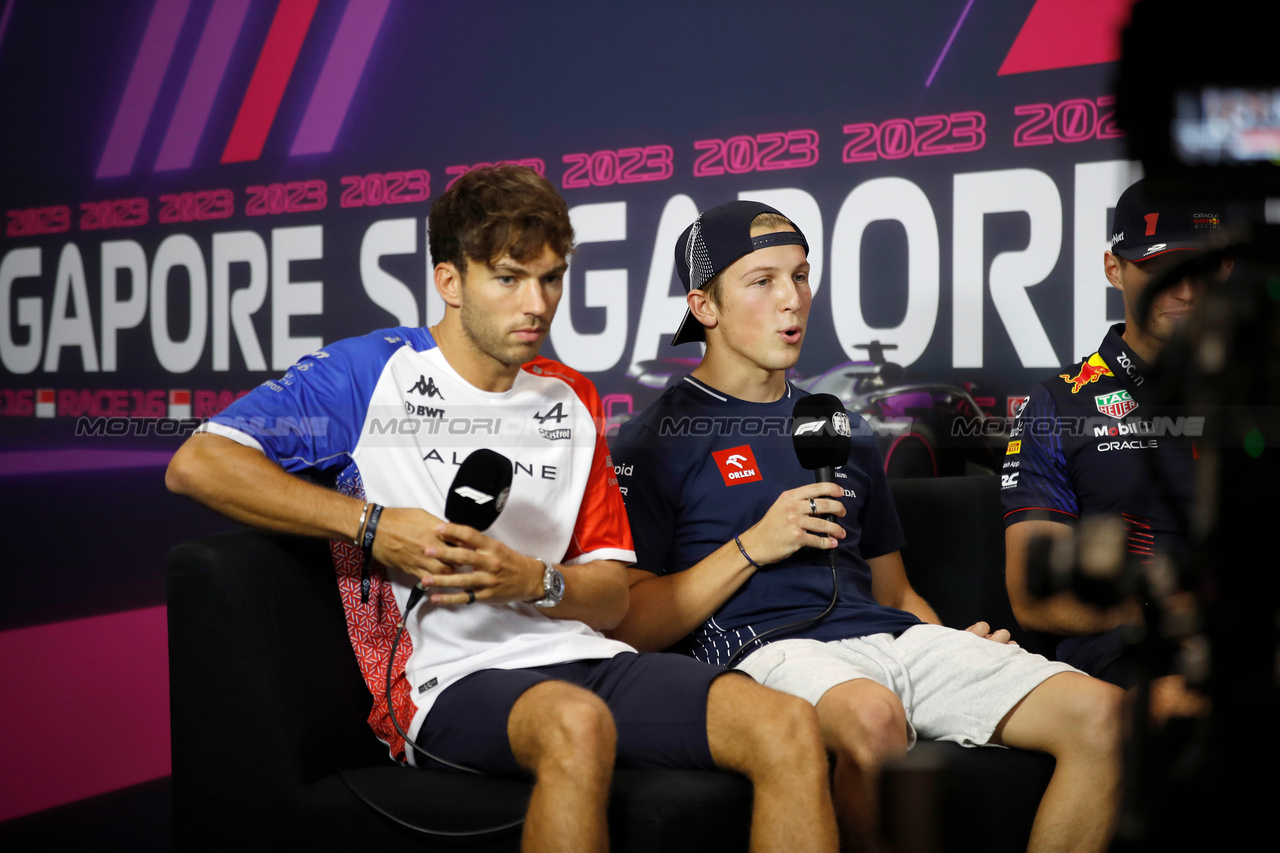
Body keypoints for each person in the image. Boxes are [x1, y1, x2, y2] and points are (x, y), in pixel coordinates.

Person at [166, 167, 838, 853]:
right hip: (445, 679)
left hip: (583, 654)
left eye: (551, 279)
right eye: (510, 278)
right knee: (577, 724)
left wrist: (534, 580)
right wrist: (372, 527)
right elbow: (198, 464)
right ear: (450, 282)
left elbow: (610, 600)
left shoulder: (570, 397)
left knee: (787, 724)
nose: (536, 304)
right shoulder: (370, 374)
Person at [607, 200, 1124, 852]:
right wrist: (753, 546)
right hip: (761, 655)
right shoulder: (655, 439)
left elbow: (895, 594)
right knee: (873, 715)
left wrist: (955, 644)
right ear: (705, 307)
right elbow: (628, 622)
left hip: (890, 641)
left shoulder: (836, 424)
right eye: (762, 281)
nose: (792, 300)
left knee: (1103, 714)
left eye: (800, 276)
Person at [1002, 178, 1230, 711]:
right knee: (1200, 703)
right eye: (1160, 270)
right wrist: (1163, 610)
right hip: (1133, 647)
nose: (1186, 292)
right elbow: (1034, 598)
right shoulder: (1058, 406)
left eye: (1198, 269)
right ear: (1114, 270)